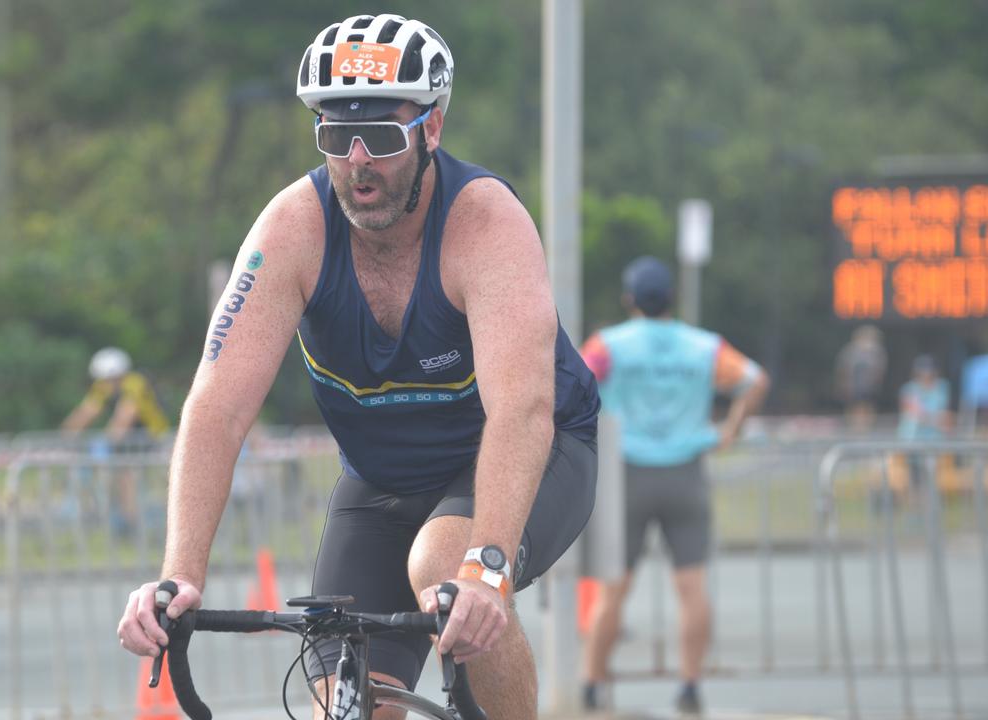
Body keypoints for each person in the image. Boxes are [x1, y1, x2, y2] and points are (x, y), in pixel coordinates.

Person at [116, 14, 601, 719]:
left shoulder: (484, 224)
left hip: (525, 451)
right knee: (342, 690)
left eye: (378, 137)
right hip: (380, 481)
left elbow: (521, 409)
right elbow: (216, 407)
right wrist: (177, 578)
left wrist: (487, 567)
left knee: (445, 565)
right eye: (335, 137)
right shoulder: (293, 228)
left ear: (430, 129)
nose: (356, 162)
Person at [578, 257, 768, 715]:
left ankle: (593, 680)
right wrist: (731, 429)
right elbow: (755, 381)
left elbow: (576, 382)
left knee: (613, 589)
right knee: (692, 586)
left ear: (629, 300)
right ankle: (689, 683)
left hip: (627, 473)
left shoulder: (610, 344)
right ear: (672, 300)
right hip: (686, 471)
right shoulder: (703, 347)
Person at [61, 347, 170, 447]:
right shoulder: (103, 385)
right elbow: (87, 410)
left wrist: (106, 443)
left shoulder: (134, 382)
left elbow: (127, 413)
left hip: (155, 439)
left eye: (109, 380)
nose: (105, 384)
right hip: (132, 442)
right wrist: (65, 438)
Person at [899, 354, 951, 492]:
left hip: (934, 441)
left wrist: (930, 418)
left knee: (932, 479)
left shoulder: (942, 387)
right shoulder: (909, 389)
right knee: (915, 480)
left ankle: (930, 508)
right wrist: (933, 419)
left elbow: (942, 416)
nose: (926, 373)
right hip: (912, 440)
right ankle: (916, 508)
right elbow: (915, 414)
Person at [834, 325, 887, 433]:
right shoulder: (849, 351)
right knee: (853, 407)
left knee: (868, 406)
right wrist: (845, 385)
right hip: (853, 386)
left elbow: (879, 371)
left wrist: (875, 384)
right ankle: (853, 428)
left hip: (869, 387)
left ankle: (867, 428)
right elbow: (844, 369)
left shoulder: (877, 352)